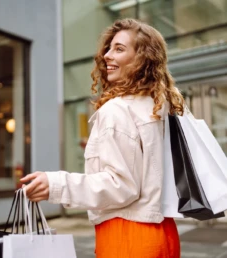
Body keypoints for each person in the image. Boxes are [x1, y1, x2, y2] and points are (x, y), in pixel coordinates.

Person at [21, 18, 184, 258]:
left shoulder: (117, 110)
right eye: (109, 48)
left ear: (142, 59)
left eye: (119, 49)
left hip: (127, 235)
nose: (107, 55)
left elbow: (121, 186)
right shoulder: (160, 109)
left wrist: (55, 184)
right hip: (164, 234)